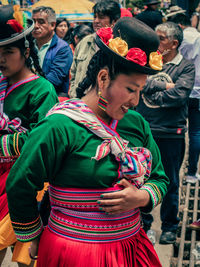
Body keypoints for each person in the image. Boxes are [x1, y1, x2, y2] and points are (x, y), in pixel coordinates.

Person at [6, 17, 169, 267]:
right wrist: (34, 235)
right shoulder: (60, 126)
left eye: (140, 91)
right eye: (130, 89)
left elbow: (160, 177)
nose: (135, 101)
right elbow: (20, 183)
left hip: (131, 248)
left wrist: (141, 198)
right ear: (103, 79)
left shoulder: (136, 123)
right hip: (74, 252)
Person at [0, 4, 58, 266]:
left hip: (25, 179)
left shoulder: (42, 90)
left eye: (8, 52)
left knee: (27, 259)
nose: (1, 59)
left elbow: (42, 139)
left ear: (25, 52)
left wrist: (4, 143)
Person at [136, 22, 195, 244]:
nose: (156, 42)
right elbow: (139, 85)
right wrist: (163, 87)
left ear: (174, 43)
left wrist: (152, 90)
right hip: (146, 130)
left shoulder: (186, 67)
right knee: (140, 179)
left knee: (170, 181)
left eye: (160, 38)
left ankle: (170, 225)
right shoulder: (149, 63)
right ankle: (144, 223)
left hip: (171, 133)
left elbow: (180, 96)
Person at [171, 13, 200, 231]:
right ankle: (191, 172)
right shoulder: (197, 37)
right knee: (196, 132)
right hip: (197, 92)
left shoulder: (184, 41)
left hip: (182, 89)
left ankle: (185, 172)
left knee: (184, 130)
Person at [69, 0, 121, 98]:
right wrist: (73, 94)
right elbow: (73, 73)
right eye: (95, 17)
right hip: (80, 102)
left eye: (101, 18)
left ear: (115, 21)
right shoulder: (84, 42)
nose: (96, 21)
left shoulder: (121, 47)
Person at [32, 6, 73, 96]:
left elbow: (54, 80)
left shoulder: (63, 48)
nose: (35, 26)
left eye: (41, 22)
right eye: (33, 21)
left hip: (51, 100)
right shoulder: (28, 45)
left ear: (52, 25)